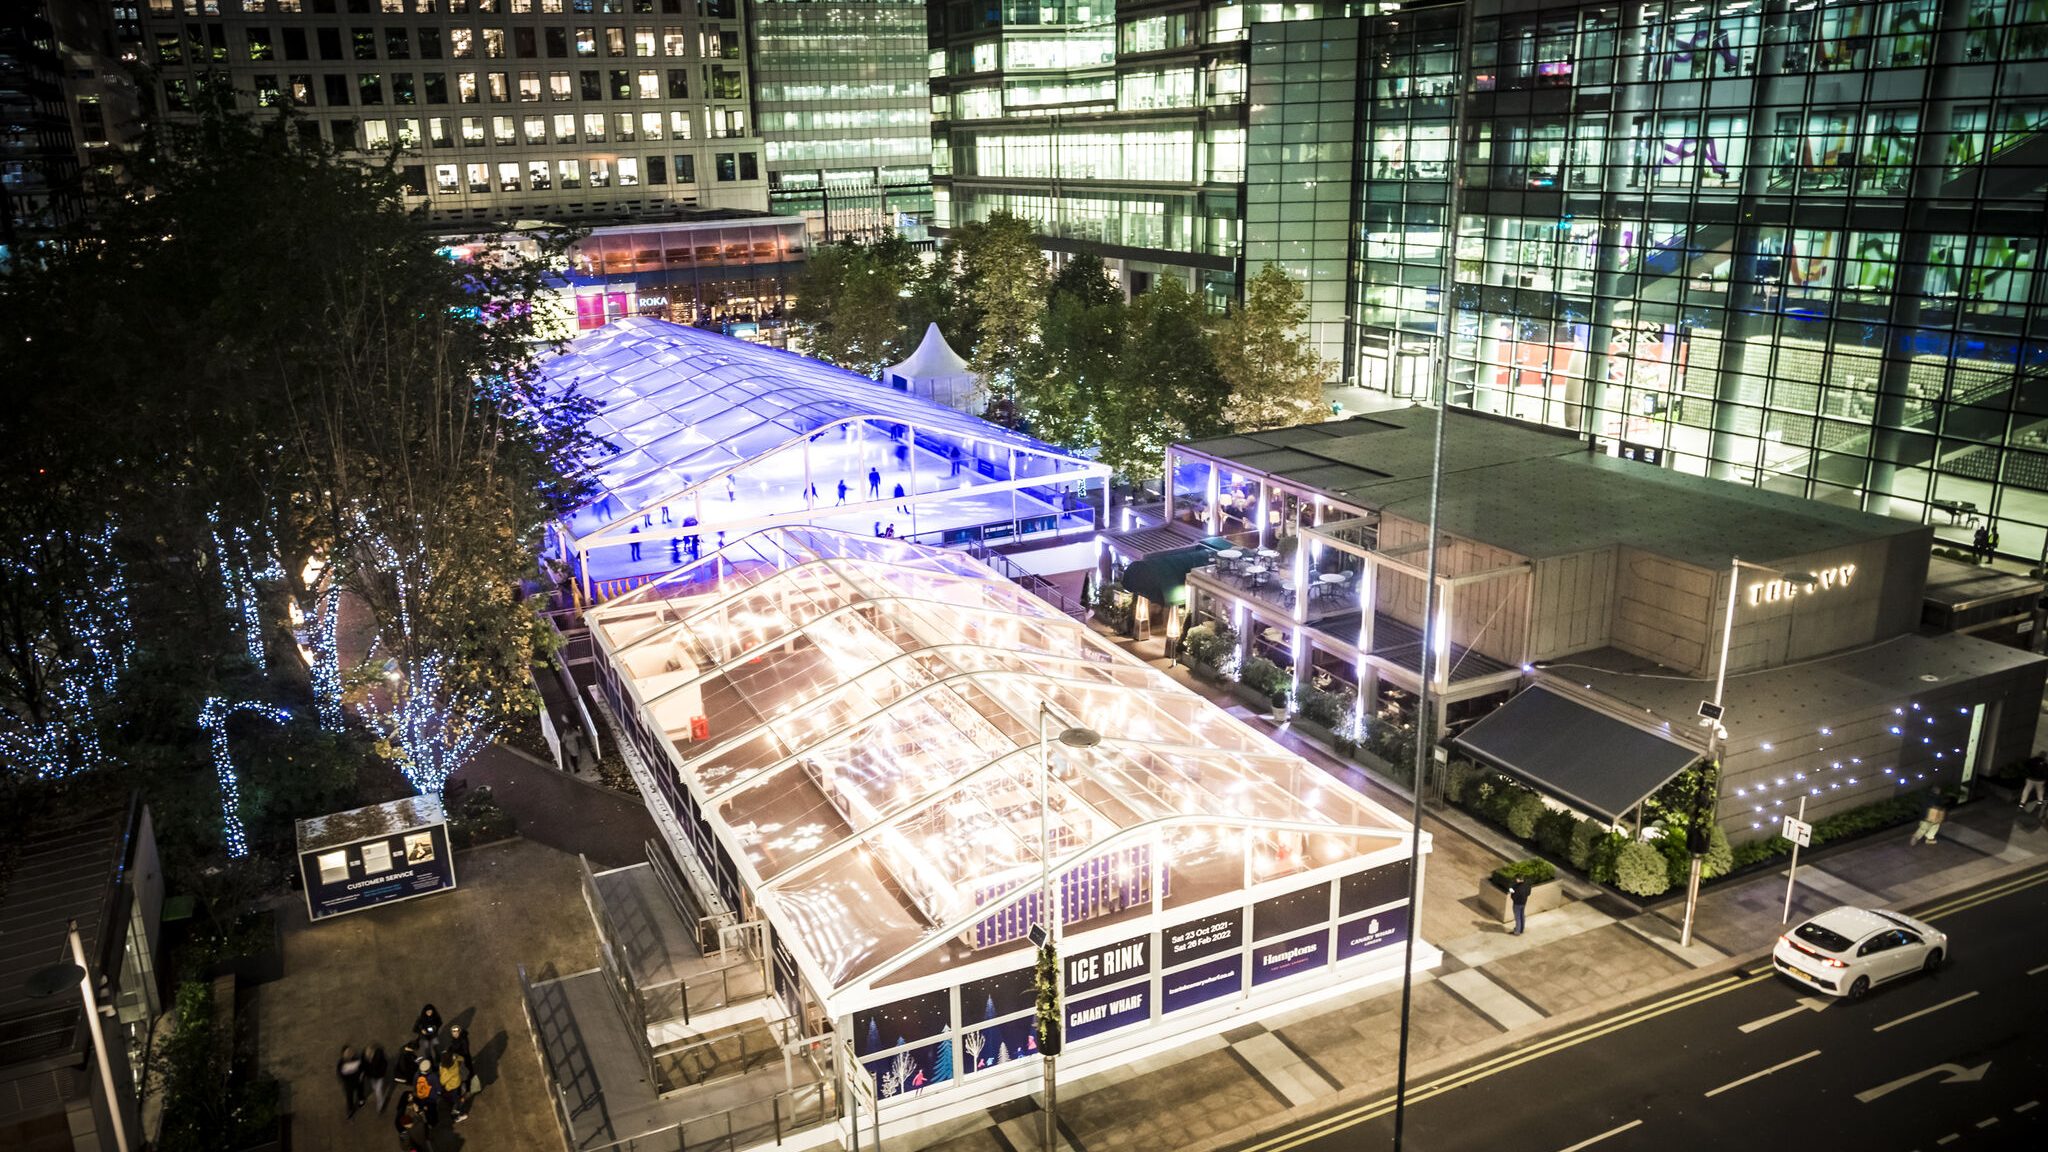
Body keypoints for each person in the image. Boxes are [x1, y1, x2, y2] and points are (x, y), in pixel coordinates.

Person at [438, 1050, 471, 1124]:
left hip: (451, 1087)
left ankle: (456, 1116)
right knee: (458, 1098)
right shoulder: (455, 1061)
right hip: (457, 1083)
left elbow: (442, 1081)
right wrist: (455, 1056)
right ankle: (456, 1112)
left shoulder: (446, 1070)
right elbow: (462, 1058)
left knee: (457, 1101)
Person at [408, 1056, 441, 1130]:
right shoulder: (433, 1076)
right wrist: (439, 1093)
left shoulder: (417, 1075)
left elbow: (414, 1086)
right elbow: (438, 1087)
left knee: (426, 1111)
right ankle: (434, 1122)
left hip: (421, 1097)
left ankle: (429, 1122)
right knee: (433, 1110)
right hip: (431, 1098)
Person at [338, 1045, 366, 1119]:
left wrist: (362, 1075)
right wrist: (344, 1081)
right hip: (349, 1084)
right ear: (343, 1054)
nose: (349, 1053)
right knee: (349, 1097)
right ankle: (350, 1110)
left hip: (358, 1082)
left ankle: (361, 1100)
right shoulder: (341, 1063)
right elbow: (340, 1074)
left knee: (360, 1091)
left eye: (350, 1051)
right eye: (347, 1052)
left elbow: (362, 1068)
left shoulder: (357, 1059)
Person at [365, 1044, 391, 1115]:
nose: (368, 1054)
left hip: (379, 1077)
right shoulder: (365, 1057)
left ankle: (380, 1106)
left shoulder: (379, 1056)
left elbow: (384, 1064)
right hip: (372, 1077)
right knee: (375, 1087)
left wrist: (381, 1073)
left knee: (378, 1091)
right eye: (367, 1053)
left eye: (369, 1053)